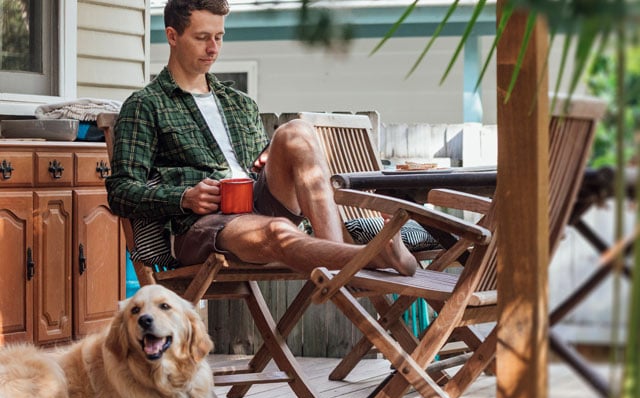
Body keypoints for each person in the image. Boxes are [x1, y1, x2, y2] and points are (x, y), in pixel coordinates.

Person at [106, 0, 417, 277]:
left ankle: (337, 266)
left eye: (219, 37)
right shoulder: (146, 105)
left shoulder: (239, 103)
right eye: (202, 38)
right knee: (278, 231)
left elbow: (259, 167)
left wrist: (269, 157)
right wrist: (184, 197)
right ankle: (370, 259)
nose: (213, 48)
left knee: (296, 131)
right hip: (204, 224)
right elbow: (120, 192)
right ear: (172, 36)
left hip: (259, 200)